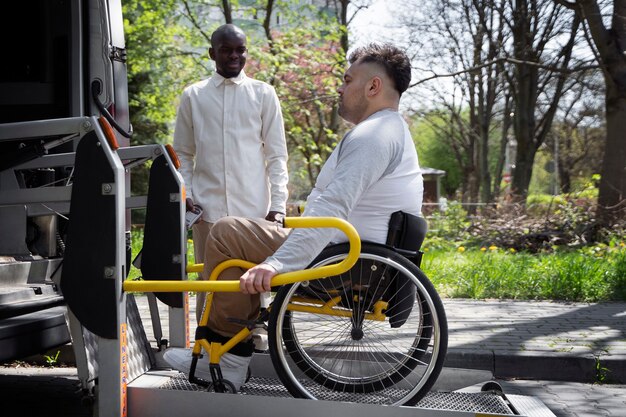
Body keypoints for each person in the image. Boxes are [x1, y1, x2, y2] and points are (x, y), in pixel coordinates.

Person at [164, 42, 424, 391]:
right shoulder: (390, 131)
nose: (340, 88)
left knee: (226, 233)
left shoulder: (373, 137)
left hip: (343, 258)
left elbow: (333, 207)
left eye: (348, 80)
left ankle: (229, 356)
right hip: (353, 252)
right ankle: (228, 352)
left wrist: (276, 264)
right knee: (238, 238)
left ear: (373, 87)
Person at [172, 24, 289, 321]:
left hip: (254, 213)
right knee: (212, 287)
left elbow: (277, 156)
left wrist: (278, 206)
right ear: (213, 53)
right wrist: (187, 192)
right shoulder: (193, 96)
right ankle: (206, 351)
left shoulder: (264, 94)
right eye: (226, 50)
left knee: (257, 284)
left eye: (240, 49)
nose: (234, 56)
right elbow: (183, 153)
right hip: (208, 212)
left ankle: (255, 344)